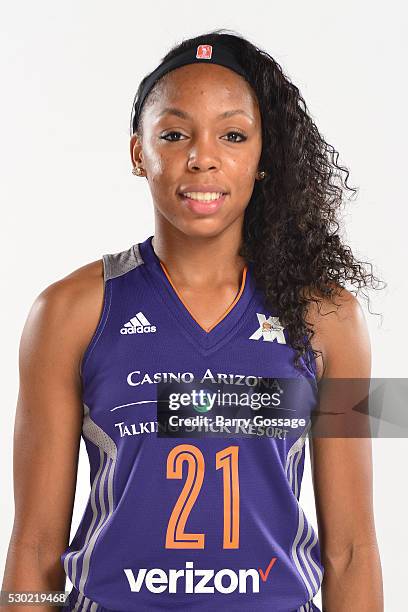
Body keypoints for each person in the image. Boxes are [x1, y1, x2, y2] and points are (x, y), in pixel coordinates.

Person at [1, 29, 384, 611]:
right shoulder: (69, 311)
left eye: (233, 135)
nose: (203, 157)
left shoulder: (330, 317)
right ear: (138, 153)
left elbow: (353, 549)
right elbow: (33, 548)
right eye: (175, 134)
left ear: (263, 158)